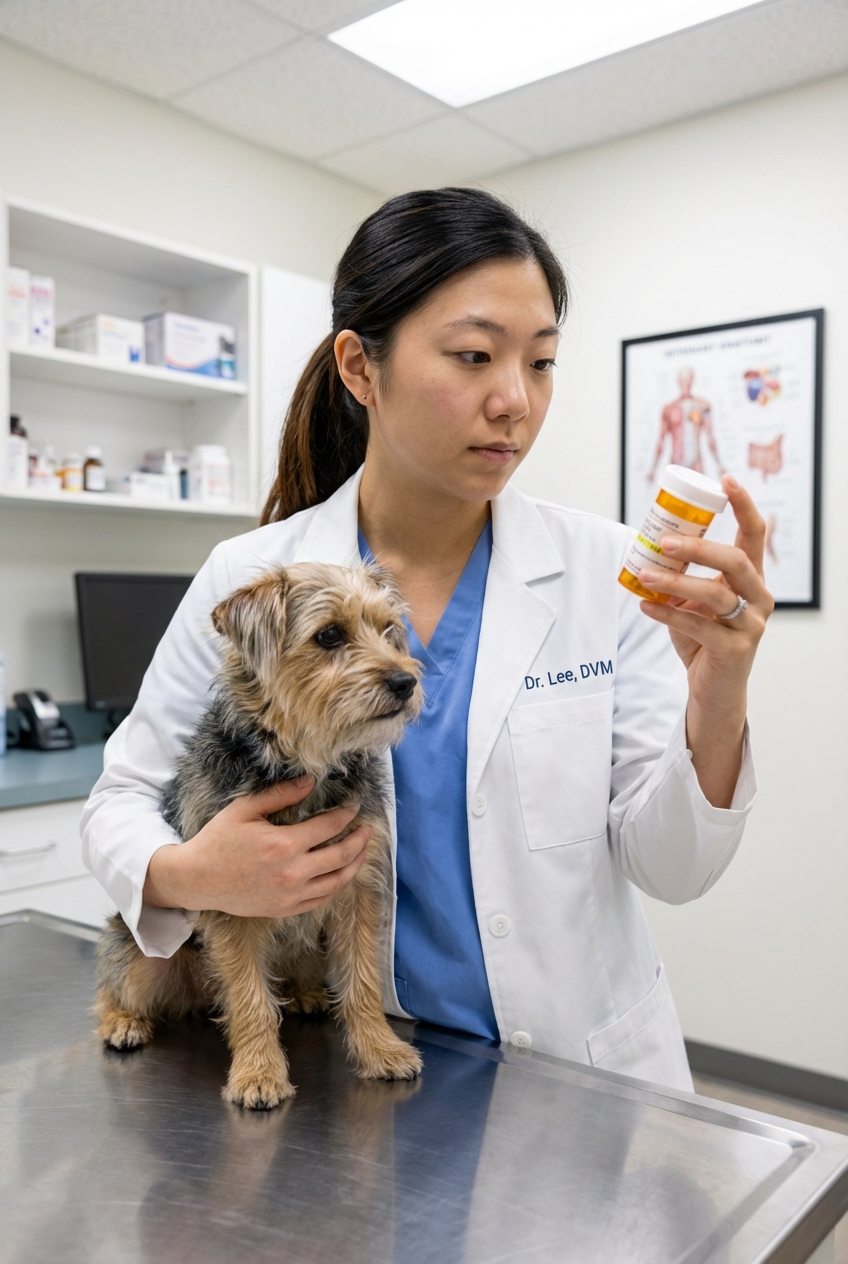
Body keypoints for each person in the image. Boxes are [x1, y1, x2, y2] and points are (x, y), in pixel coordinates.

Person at [82, 188, 772, 1091]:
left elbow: (672, 867)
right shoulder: (248, 573)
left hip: (580, 1074)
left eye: (542, 363)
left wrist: (720, 689)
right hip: (366, 1071)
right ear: (361, 370)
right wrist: (190, 871)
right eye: (475, 356)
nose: (515, 401)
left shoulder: (608, 572)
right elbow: (119, 799)